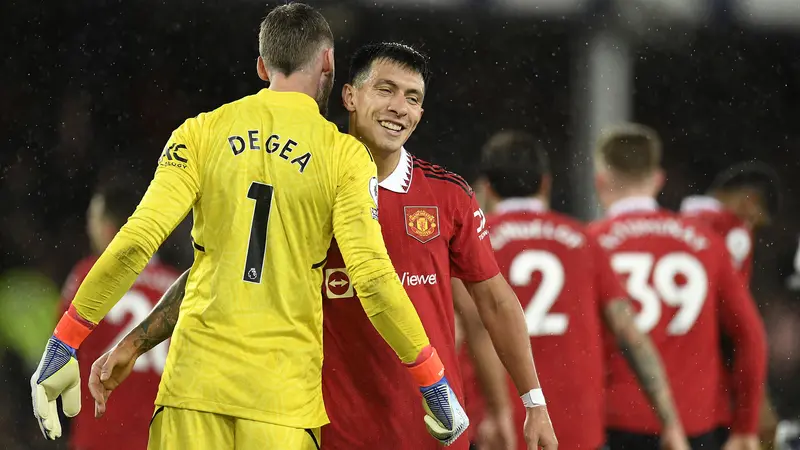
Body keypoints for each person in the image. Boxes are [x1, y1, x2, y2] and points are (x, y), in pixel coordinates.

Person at [87, 42, 559, 450]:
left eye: (413, 98)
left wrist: (533, 403)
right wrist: (134, 342)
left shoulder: (447, 196)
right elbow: (217, 267)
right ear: (350, 95)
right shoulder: (305, 174)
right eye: (386, 90)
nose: (400, 107)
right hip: (326, 429)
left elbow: (494, 302)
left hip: (432, 429)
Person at [30, 5, 461, 450]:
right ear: (329, 63)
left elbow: (135, 242)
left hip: (192, 394)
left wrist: (65, 342)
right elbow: (372, 278)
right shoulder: (345, 157)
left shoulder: (200, 132)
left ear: (262, 66)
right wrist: (433, 380)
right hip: (282, 407)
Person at [458, 130, 689, 450]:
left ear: (485, 188)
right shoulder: (583, 242)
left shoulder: (469, 247)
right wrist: (671, 423)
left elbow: (457, 334)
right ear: (545, 183)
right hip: (575, 429)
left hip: (501, 431)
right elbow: (630, 333)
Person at [587, 123, 768, 450]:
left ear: (600, 182)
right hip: (696, 424)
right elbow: (750, 335)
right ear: (658, 179)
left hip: (615, 421)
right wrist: (746, 426)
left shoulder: (590, 244)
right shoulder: (706, 242)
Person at [59, 178, 180, 450]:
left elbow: (59, 352)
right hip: (159, 439)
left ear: (109, 229)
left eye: (93, 219)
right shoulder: (178, 289)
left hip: (100, 436)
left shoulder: (87, 276)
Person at [679, 161, 782, 448]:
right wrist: (756, 403)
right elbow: (733, 326)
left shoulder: (677, 222)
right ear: (750, 201)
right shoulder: (732, 230)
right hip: (709, 390)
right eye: (756, 221)